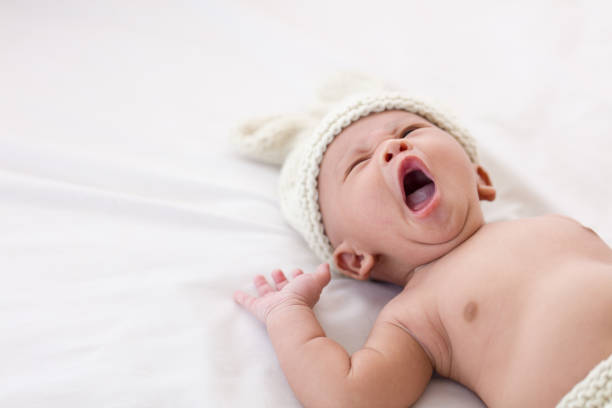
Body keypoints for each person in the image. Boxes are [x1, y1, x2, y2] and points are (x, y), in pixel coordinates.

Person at [231, 76, 612, 408]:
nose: (392, 148)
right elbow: (349, 396)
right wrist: (289, 317)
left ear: (479, 177)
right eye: (359, 164)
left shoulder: (546, 223)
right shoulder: (415, 316)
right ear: (355, 259)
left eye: (408, 132)